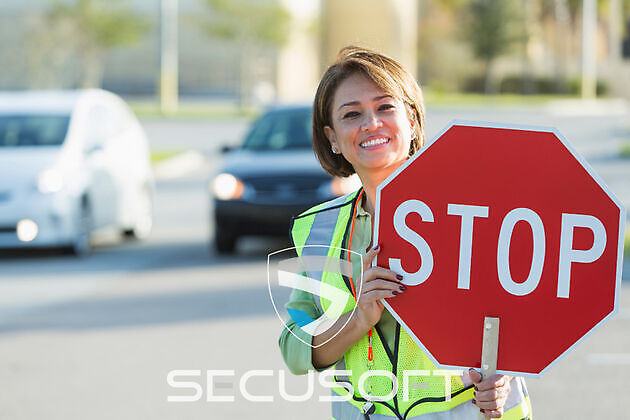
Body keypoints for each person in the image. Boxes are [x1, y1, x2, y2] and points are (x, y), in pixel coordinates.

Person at [279, 46, 532, 419]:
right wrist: (359, 318)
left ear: (412, 120)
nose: (371, 124)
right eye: (352, 114)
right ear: (333, 137)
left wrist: (504, 374)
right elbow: (296, 348)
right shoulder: (319, 227)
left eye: (385, 107)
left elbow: (527, 312)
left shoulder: (471, 211)